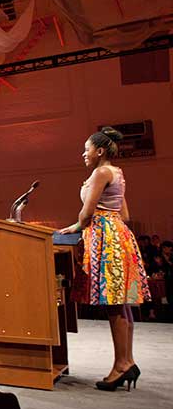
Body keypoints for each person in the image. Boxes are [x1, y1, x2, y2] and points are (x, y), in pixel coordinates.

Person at [58, 127, 150, 391]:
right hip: (119, 234)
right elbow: (126, 214)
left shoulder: (100, 172)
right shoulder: (117, 173)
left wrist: (75, 228)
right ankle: (127, 361)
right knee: (122, 303)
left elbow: (86, 213)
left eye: (86, 149)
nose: (83, 154)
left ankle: (121, 365)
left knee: (113, 303)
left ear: (99, 151)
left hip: (105, 236)